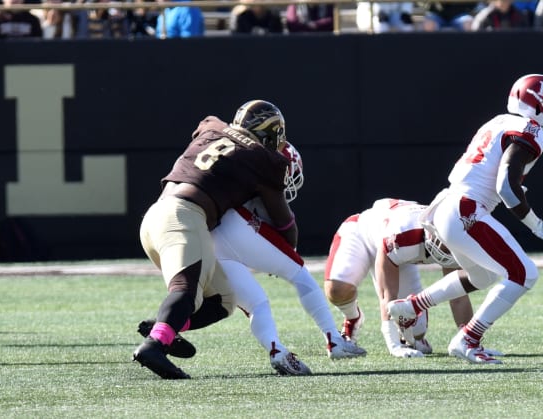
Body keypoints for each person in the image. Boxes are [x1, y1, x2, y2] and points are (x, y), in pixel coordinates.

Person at [388, 74, 543, 364]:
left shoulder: (499, 121)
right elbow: (505, 187)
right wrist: (538, 225)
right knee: (525, 274)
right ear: (537, 105)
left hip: (449, 204)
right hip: (466, 210)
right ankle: (468, 338)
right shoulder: (530, 130)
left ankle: (411, 306)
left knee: (482, 275)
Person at [134, 99, 297, 379]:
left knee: (223, 300)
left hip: (156, 217)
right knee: (186, 290)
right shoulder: (265, 159)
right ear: (270, 134)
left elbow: (208, 146)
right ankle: (154, 346)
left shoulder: (211, 126)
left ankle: (165, 327)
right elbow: (286, 228)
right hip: (185, 216)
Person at [211, 142, 366, 375]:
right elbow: (287, 228)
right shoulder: (267, 173)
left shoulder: (236, 161)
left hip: (210, 237)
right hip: (238, 225)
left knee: (256, 304)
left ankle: (277, 351)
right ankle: (335, 340)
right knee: (299, 273)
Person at [324, 198, 492, 358]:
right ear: (431, 230)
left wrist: (470, 341)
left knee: (416, 328)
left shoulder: (451, 236)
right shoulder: (401, 236)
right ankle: (353, 317)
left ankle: (413, 339)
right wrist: (394, 345)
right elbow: (386, 296)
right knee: (337, 289)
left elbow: (458, 298)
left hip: (400, 252)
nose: (445, 248)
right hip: (363, 233)